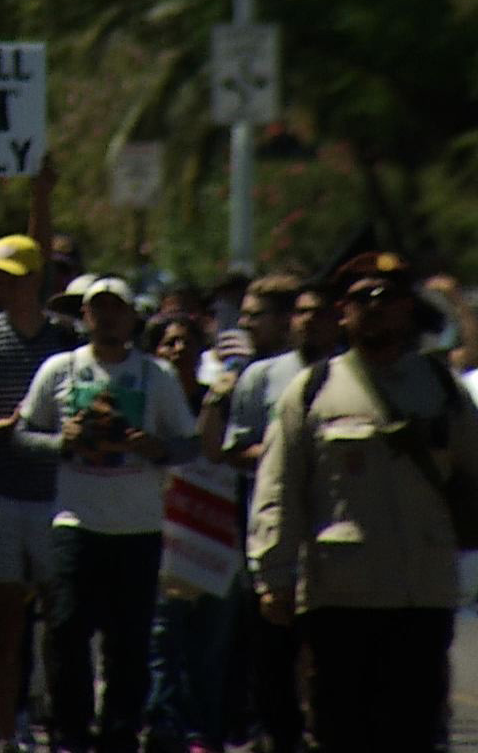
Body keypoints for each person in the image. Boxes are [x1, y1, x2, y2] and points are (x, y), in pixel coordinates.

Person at [248, 252, 478, 752]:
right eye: (360, 298)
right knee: (340, 730)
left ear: (407, 310)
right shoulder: (311, 392)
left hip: (423, 594)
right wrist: (274, 575)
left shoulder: (441, 389)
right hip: (339, 597)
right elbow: (277, 489)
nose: (374, 307)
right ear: (342, 313)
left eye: (387, 297)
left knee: (414, 732)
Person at [11, 276, 198, 753]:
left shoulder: (155, 376)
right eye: (99, 309)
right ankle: (69, 732)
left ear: (133, 317)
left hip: (138, 527)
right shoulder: (60, 369)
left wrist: (155, 447)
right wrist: (61, 441)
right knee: (67, 632)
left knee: (129, 643)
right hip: (75, 521)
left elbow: (189, 443)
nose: (109, 317)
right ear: (86, 316)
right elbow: (23, 435)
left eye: (118, 309)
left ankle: (119, 734)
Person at [0, 233, 83, 753]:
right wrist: (12, 427)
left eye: (9, 276)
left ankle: (53, 724)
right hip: (0, 493)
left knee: (61, 623)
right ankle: (3, 734)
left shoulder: (67, 339)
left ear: (32, 280)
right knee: (2, 626)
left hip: (59, 494)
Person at [203, 276, 338, 752]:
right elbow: (233, 449)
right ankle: (272, 731)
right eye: (301, 313)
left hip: (333, 526)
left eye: (317, 314)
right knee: (270, 636)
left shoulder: (350, 374)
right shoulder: (261, 376)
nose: (308, 323)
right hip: (271, 522)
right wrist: (285, 453)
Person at [141, 313, 237, 753]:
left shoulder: (215, 404)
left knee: (209, 646)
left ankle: (203, 729)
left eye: (186, 342)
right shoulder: (144, 402)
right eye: (167, 342)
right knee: (161, 641)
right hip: (158, 538)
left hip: (212, 536)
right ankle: (162, 726)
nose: (177, 350)